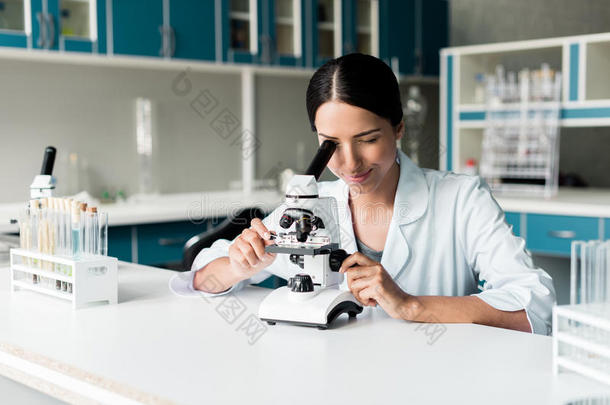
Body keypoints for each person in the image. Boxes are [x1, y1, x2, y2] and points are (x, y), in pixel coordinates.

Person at [179, 53, 555, 335]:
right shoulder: (313, 207)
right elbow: (198, 280)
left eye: (369, 140)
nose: (350, 163)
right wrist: (236, 264)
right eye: (331, 145)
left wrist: (409, 305)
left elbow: (535, 308)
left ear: (399, 129)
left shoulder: (460, 200)